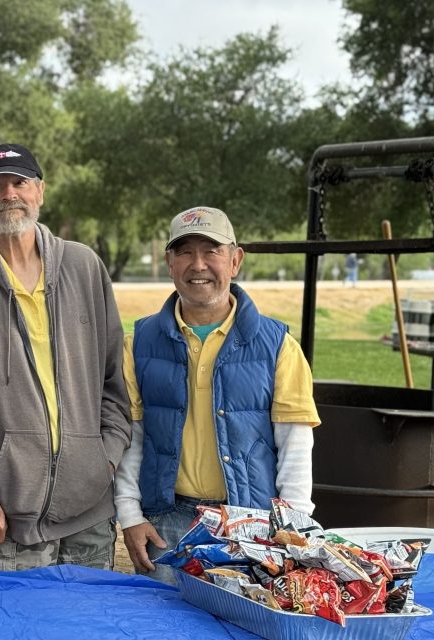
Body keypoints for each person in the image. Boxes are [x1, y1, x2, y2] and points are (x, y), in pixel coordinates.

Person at [0, 143, 132, 571]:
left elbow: (115, 377)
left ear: (40, 191)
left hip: (89, 511)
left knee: (87, 627)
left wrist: (105, 459)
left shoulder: (84, 266)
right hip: (3, 518)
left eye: (19, 182)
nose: (9, 195)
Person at [114, 206, 320, 585]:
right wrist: (131, 516)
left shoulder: (278, 347)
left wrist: (293, 528)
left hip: (253, 526)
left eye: (212, 251)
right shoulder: (138, 344)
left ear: (235, 260)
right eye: (185, 252)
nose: (198, 265)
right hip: (168, 523)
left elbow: (295, 446)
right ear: (170, 263)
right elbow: (131, 439)